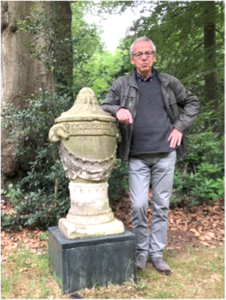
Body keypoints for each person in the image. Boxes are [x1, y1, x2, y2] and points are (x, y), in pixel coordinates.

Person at [101, 37, 199, 274]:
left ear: (154, 57)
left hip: (166, 154)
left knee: (162, 204)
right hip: (137, 156)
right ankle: (141, 251)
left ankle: (156, 253)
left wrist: (179, 127)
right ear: (132, 59)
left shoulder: (168, 82)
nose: (144, 58)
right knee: (138, 204)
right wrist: (119, 109)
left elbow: (193, 102)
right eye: (139, 54)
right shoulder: (122, 84)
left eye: (148, 53)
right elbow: (104, 105)